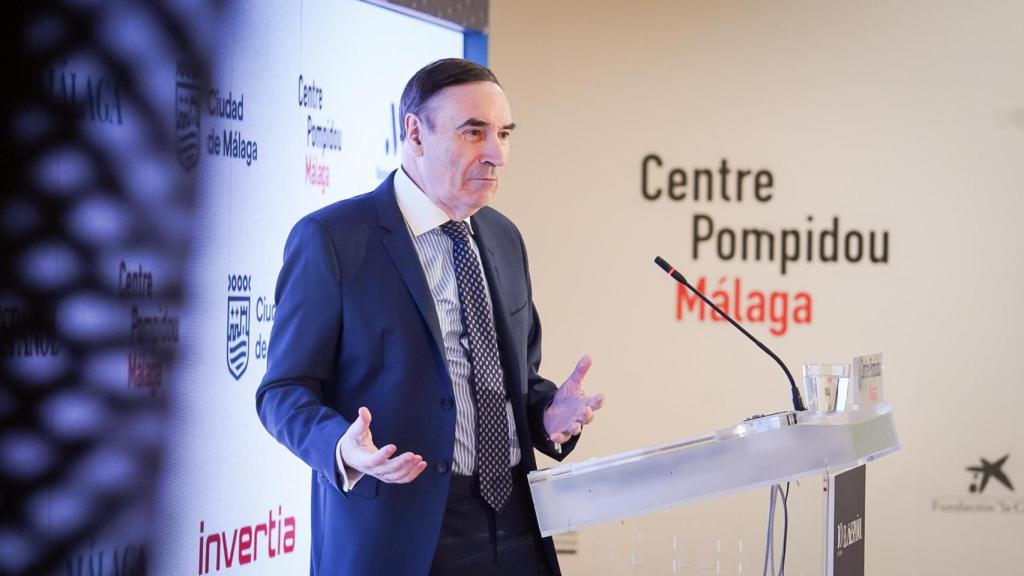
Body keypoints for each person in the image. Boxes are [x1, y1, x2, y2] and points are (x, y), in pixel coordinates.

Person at [256, 58, 604, 576]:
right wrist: (340, 447)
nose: (496, 153)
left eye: (504, 133)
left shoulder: (504, 237)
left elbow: (515, 380)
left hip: (516, 524)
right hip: (397, 534)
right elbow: (282, 392)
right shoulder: (333, 239)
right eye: (473, 132)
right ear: (416, 133)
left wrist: (546, 414)